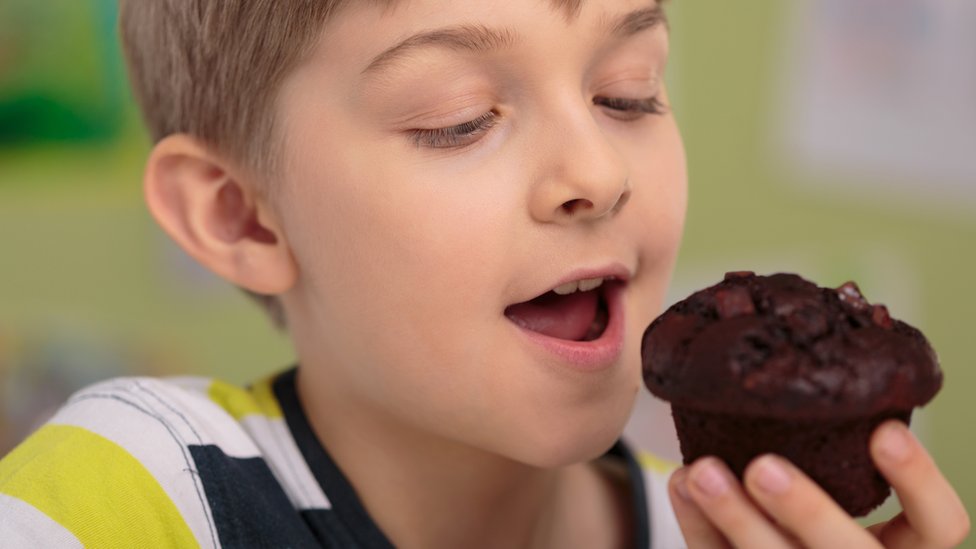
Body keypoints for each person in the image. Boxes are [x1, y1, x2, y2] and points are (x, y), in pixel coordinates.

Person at [0, 1, 969, 547]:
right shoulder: (131, 495)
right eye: (457, 118)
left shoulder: (726, 530)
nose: (595, 172)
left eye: (626, 94)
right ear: (240, 213)